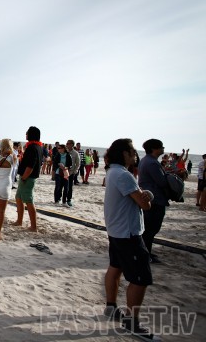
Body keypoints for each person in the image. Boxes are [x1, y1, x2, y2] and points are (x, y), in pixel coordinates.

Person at [102, 138, 154, 339]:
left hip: (116, 230)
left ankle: (111, 306)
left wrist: (142, 194)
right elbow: (144, 205)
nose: (135, 154)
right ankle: (132, 322)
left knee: (115, 267)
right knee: (140, 278)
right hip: (128, 233)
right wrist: (148, 196)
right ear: (124, 153)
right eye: (132, 150)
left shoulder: (113, 171)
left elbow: (135, 197)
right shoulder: (124, 175)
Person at [138, 139, 169, 264]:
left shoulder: (146, 160)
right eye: (161, 147)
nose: (163, 149)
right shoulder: (152, 163)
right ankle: (146, 254)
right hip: (154, 199)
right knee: (151, 229)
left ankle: (146, 252)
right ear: (154, 149)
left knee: (148, 229)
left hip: (151, 198)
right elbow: (161, 182)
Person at [13, 126, 43, 232]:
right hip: (27, 177)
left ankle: (33, 227)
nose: (26, 134)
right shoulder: (37, 146)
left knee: (29, 200)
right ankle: (19, 221)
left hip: (28, 177)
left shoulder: (32, 148)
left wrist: (24, 177)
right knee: (19, 198)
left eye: (27, 133)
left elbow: (30, 166)